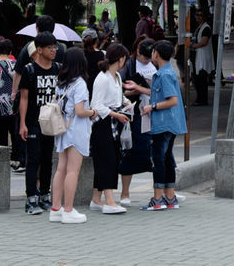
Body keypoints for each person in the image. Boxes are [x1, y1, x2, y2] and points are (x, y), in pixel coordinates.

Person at [47, 47, 95, 224]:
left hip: (62, 128)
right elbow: (80, 111)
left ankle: (56, 208)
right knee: (73, 171)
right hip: (76, 130)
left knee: (61, 168)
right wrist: (93, 112)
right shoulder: (80, 83)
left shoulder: (61, 81)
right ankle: (68, 210)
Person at [139, 40, 186, 211]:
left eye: (153, 51)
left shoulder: (164, 75)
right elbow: (159, 93)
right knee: (167, 158)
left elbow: (172, 100)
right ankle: (170, 198)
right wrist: (138, 87)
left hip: (164, 123)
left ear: (156, 54)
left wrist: (152, 106)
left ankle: (158, 199)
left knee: (158, 159)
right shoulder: (166, 72)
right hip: (170, 123)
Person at [18, 32, 60, 215]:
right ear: (40, 50)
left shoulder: (58, 68)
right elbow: (24, 98)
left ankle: (44, 195)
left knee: (47, 159)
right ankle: (30, 199)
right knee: (33, 159)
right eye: (50, 47)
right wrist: (22, 124)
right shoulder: (30, 70)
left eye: (55, 47)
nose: (54, 51)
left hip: (52, 122)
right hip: (34, 121)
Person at [88, 42, 131, 215]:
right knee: (107, 160)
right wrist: (116, 115)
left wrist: (127, 104)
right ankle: (109, 200)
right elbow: (96, 105)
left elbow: (118, 96)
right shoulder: (103, 78)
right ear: (120, 59)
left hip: (114, 123)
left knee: (111, 158)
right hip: (103, 124)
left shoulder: (117, 77)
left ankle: (96, 199)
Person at [118, 38, 156, 206]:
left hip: (153, 112)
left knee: (156, 152)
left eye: (150, 57)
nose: (147, 61)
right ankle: (125, 192)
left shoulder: (157, 65)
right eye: (144, 57)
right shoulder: (129, 65)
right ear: (138, 52)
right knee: (130, 151)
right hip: (135, 114)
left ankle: (161, 190)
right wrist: (133, 91)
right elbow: (121, 91)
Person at [191, 8, 214, 105]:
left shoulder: (206, 28)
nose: (198, 17)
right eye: (197, 15)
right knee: (198, 79)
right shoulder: (200, 27)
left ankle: (202, 99)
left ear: (204, 17)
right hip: (198, 55)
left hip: (203, 56)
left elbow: (204, 42)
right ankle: (199, 98)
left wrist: (192, 46)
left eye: (200, 15)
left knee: (202, 79)